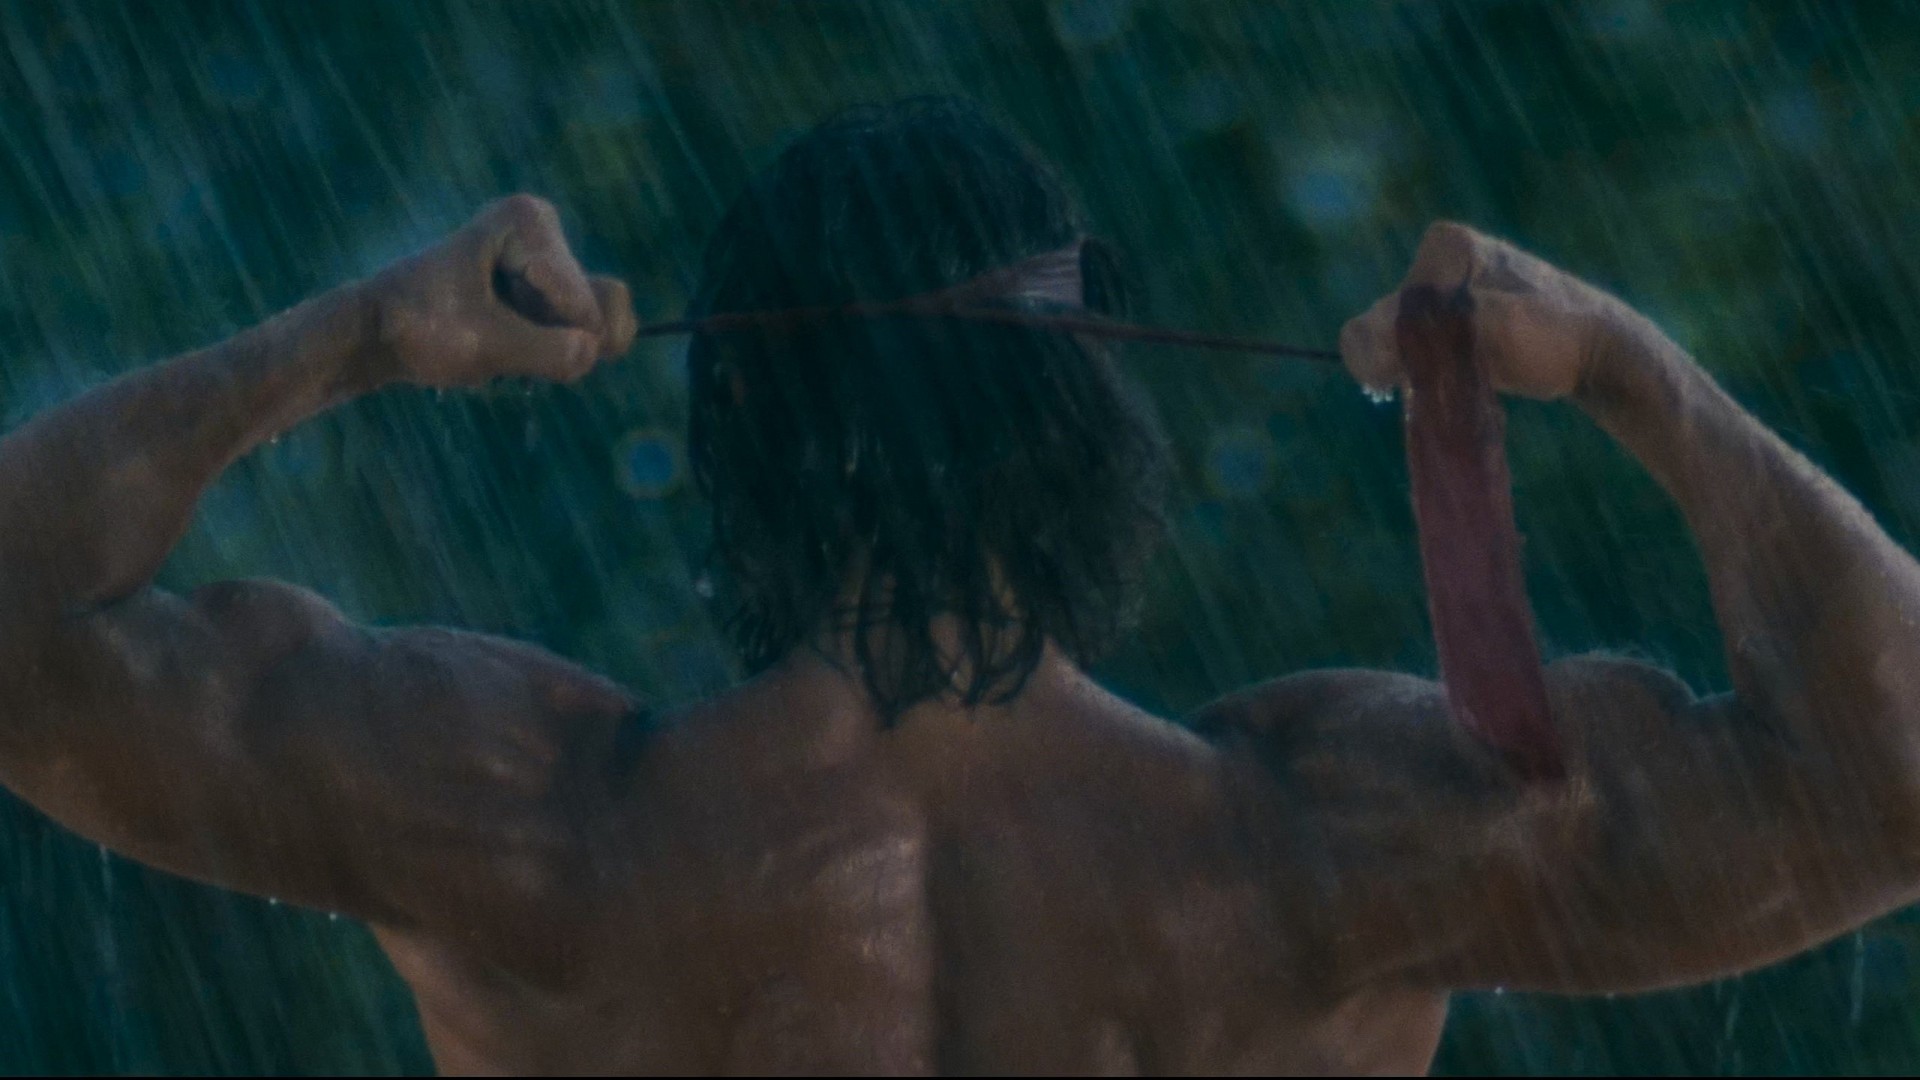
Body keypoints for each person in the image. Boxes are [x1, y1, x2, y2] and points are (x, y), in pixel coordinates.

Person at [3, 97, 1919, 1076]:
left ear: (742, 426)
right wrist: (1628, 374)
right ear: (1086, 419)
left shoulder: (526, 817)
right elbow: (1896, 769)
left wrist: (354, 338)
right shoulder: (1322, 843)